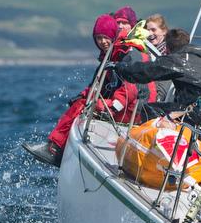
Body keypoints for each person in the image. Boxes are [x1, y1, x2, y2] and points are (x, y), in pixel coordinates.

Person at [23, 15, 156, 167]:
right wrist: (84, 96)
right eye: (99, 38)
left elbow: (131, 87)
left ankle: (55, 149)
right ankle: (56, 147)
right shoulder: (113, 53)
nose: (103, 42)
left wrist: (112, 106)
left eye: (106, 37)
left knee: (82, 107)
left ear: (113, 35)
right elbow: (100, 84)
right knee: (81, 102)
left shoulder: (129, 54)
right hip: (128, 107)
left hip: (134, 111)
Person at [112, 28, 201, 137]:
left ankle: (152, 147)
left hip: (198, 118)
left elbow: (144, 72)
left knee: (149, 109)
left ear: (167, 48)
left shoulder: (178, 60)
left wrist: (120, 67)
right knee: (174, 110)